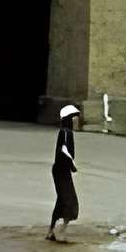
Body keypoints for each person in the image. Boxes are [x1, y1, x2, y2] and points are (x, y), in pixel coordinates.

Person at [47, 103, 81, 241]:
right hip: (62, 170)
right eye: (73, 117)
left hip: (61, 170)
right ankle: (60, 231)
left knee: (62, 200)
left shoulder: (66, 132)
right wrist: (72, 164)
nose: (76, 120)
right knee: (69, 200)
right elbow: (64, 149)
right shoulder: (66, 132)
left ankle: (52, 231)